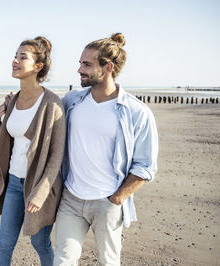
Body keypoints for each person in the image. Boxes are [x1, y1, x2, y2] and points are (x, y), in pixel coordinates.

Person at [54, 33, 159, 266]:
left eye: (87, 65)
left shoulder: (136, 112)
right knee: (62, 260)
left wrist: (118, 198)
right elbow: (46, 124)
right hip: (71, 198)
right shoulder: (72, 101)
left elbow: (146, 166)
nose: (80, 70)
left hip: (107, 203)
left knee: (108, 262)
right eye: (80, 63)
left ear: (108, 67)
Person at [0, 36, 65, 266]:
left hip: (39, 185)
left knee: (40, 243)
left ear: (38, 66)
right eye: (15, 55)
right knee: (4, 245)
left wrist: (40, 193)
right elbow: (12, 141)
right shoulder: (13, 100)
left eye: (23, 57)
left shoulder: (52, 103)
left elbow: (56, 155)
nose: (15, 60)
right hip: (13, 183)